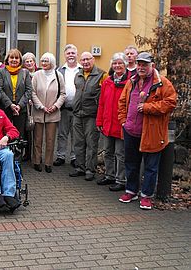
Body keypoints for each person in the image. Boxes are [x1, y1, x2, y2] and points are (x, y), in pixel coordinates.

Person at [118, 52, 176, 210]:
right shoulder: (132, 81)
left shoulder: (162, 83)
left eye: (145, 65)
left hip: (151, 132)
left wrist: (148, 107)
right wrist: (123, 121)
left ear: (152, 66)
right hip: (131, 130)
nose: (141, 67)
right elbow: (122, 102)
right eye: (139, 64)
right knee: (131, 163)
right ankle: (131, 191)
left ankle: (146, 196)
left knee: (151, 167)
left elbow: (170, 103)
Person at [69, 52, 107, 181]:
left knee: (91, 144)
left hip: (91, 115)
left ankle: (90, 169)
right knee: (78, 143)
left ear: (93, 60)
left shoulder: (102, 75)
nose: (85, 62)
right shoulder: (78, 75)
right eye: (83, 60)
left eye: (87, 59)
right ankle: (80, 167)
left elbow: (104, 96)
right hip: (77, 114)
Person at [96, 52, 129, 191]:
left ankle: (121, 179)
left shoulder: (130, 82)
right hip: (108, 123)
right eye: (114, 63)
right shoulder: (107, 82)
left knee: (120, 154)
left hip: (121, 124)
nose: (117, 66)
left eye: (120, 63)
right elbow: (101, 103)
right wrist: (99, 121)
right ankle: (109, 175)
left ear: (125, 65)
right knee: (108, 152)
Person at [31, 53, 65, 173]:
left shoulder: (58, 75)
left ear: (52, 62)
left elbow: (62, 93)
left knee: (50, 140)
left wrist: (56, 106)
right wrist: (40, 106)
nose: (44, 63)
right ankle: (36, 161)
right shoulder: (37, 75)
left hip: (53, 112)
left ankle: (48, 163)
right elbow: (33, 92)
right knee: (38, 139)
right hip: (39, 112)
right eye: (42, 61)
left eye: (46, 61)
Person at [0, 48, 32, 139]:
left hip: (21, 109)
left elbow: (29, 90)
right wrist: (10, 104)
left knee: (19, 135)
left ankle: (18, 153)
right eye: (12, 57)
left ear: (20, 60)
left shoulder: (25, 72)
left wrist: (19, 105)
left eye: (16, 58)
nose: (14, 60)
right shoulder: (1, 72)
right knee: (4, 133)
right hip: (5, 107)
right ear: (7, 59)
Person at [54, 44, 81, 168]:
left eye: (73, 53)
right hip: (64, 108)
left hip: (78, 109)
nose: (70, 55)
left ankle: (74, 157)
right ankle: (61, 156)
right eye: (68, 53)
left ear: (76, 54)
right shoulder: (60, 70)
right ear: (65, 55)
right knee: (62, 133)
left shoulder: (82, 70)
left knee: (76, 135)